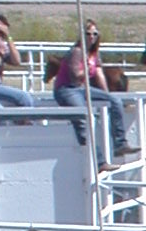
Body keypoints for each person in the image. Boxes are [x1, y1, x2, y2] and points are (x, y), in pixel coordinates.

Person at [52, 18, 129, 153]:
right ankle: (97, 159)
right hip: (67, 90)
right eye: (88, 34)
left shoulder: (94, 54)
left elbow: (99, 75)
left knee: (115, 101)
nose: (91, 37)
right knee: (84, 118)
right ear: (82, 35)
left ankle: (120, 143)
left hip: (82, 89)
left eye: (94, 34)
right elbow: (75, 76)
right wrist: (86, 70)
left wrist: (106, 95)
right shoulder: (77, 51)